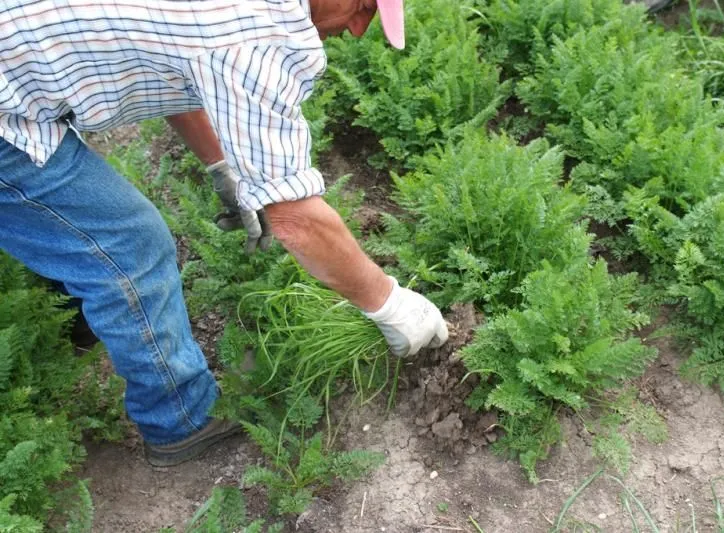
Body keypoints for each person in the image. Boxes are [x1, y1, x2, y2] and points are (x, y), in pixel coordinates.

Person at [0, 0, 448, 467]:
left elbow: (173, 70)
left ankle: (67, 318)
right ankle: (181, 420)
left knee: (77, 230)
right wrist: (388, 302)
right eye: (362, 7)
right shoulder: (253, 32)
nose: (358, 30)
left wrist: (222, 166)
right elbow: (297, 222)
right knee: (129, 247)